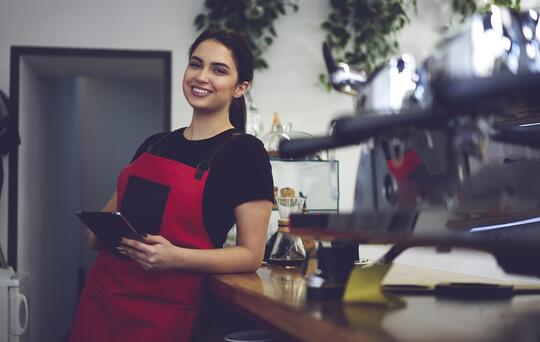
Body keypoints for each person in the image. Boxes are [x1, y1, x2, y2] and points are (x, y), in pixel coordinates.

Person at [69, 30, 274, 342]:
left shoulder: (245, 153)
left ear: (240, 88)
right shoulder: (154, 145)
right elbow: (104, 223)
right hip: (103, 300)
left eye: (218, 70)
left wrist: (175, 257)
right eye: (196, 64)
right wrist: (99, 231)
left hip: (164, 311)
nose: (202, 77)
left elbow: (250, 254)